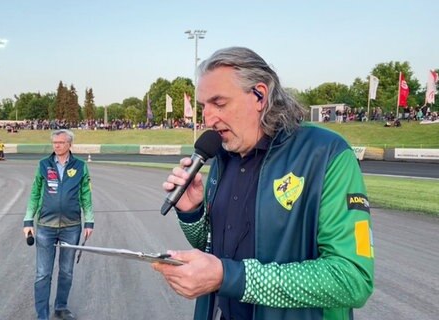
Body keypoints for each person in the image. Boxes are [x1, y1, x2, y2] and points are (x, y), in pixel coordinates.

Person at [153, 47, 374, 320]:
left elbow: (352, 279)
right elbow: (216, 247)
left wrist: (231, 278)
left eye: (219, 103)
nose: (208, 119)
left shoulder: (327, 153)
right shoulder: (222, 158)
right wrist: (192, 213)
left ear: (260, 95)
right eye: (203, 107)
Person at [23, 129, 94, 320]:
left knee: (66, 272)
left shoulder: (80, 166)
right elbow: (35, 193)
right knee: (42, 274)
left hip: (72, 227)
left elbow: (86, 194)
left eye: (61, 142)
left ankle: (61, 307)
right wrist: (28, 220)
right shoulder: (44, 165)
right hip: (46, 226)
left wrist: (89, 221)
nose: (56, 146)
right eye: (54, 142)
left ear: (70, 144)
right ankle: (42, 315)